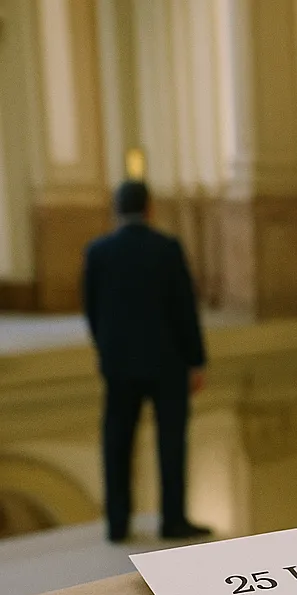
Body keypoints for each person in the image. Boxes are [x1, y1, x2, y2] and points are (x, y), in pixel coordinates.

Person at [83, 180, 212, 542]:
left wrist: (105, 350)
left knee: (117, 442)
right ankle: (173, 520)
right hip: (166, 362)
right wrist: (196, 361)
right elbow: (184, 309)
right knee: (171, 442)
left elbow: (91, 310)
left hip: (119, 364)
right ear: (150, 208)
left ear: (116, 209)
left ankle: (118, 522)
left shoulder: (98, 251)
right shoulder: (166, 248)